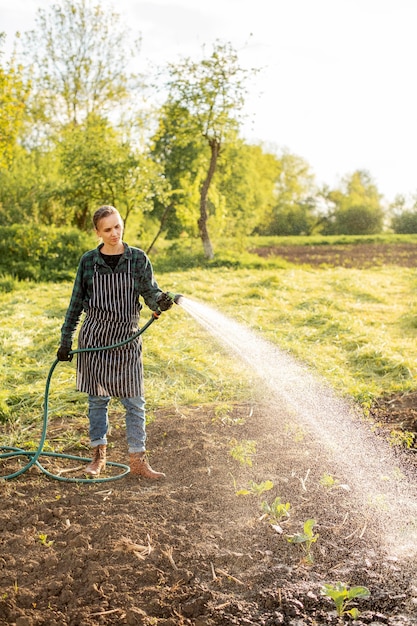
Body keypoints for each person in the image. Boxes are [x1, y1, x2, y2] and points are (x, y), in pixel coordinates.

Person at [57, 205, 174, 480]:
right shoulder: (88, 262)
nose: (114, 233)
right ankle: (98, 459)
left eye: (118, 226)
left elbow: (150, 293)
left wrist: (161, 302)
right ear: (97, 232)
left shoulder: (137, 259)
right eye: (107, 229)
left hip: (127, 339)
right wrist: (65, 340)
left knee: (134, 402)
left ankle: (138, 461)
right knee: (98, 401)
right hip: (95, 339)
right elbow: (75, 304)